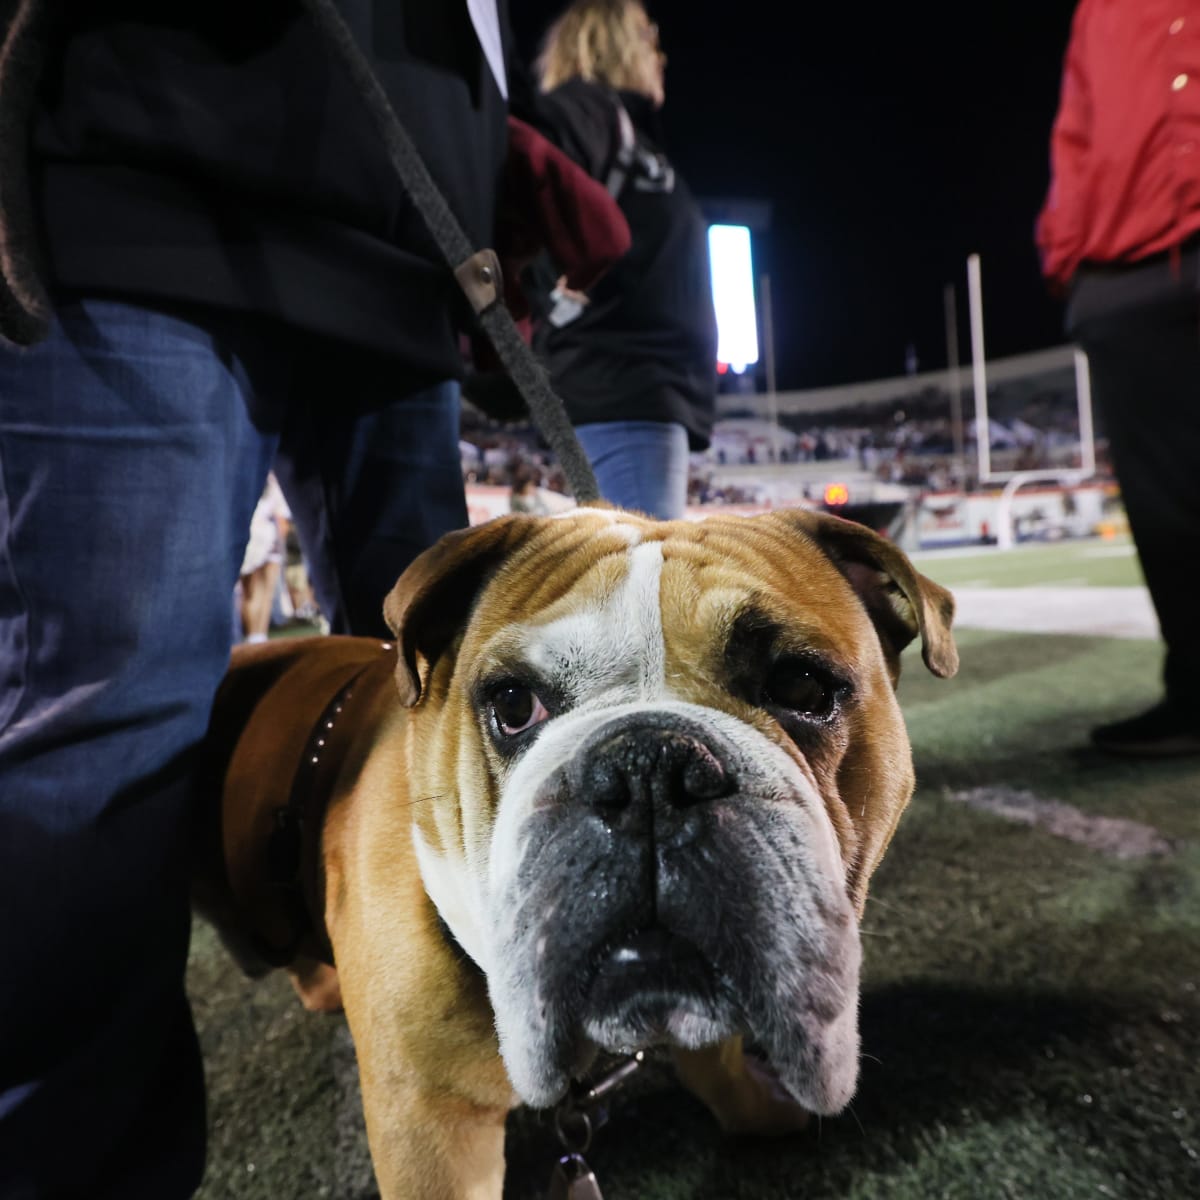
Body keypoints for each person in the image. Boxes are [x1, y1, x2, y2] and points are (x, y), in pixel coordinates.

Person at [0, 3, 514, 1195]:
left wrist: (484, 148)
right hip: (134, 181)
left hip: (397, 233)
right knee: (106, 734)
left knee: (463, 714)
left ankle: (487, 1080)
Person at [1037, 0, 1200, 757]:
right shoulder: (1100, 10)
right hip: (1127, 272)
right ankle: (1194, 690)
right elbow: (1078, 130)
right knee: (1164, 506)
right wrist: (1069, 257)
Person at [517, 0, 719, 520]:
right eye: (648, 38)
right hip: (621, 386)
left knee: (637, 580)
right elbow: (524, 191)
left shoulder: (630, 131)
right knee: (640, 592)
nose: (662, 56)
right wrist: (551, 303)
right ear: (611, 42)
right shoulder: (586, 110)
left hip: (639, 390)